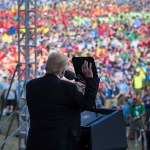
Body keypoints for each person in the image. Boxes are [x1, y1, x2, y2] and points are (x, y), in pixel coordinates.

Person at [26, 52, 99, 150]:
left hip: (35, 143)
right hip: (59, 144)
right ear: (62, 69)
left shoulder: (31, 85)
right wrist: (90, 79)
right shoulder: (67, 87)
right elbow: (89, 104)